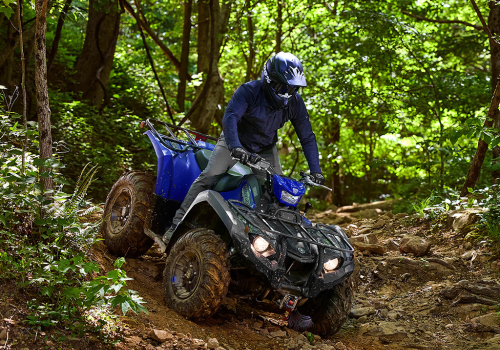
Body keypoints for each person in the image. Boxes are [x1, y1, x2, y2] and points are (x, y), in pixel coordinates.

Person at [163, 52, 324, 244]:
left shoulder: (295, 103)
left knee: (279, 192)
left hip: (265, 148)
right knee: (210, 176)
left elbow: (307, 137)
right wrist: (235, 147)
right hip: (235, 140)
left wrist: (316, 170)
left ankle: (272, 242)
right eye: (282, 87)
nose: (287, 93)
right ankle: (176, 224)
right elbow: (230, 117)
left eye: (292, 88)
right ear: (269, 80)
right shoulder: (249, 91)